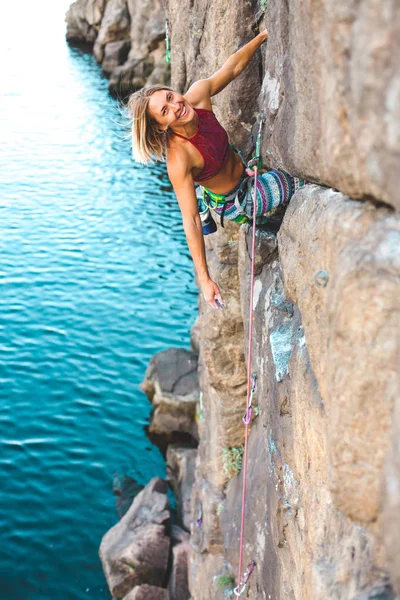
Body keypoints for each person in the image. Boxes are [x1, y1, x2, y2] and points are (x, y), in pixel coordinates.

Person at [128, 30, 305, 309]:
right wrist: (205, 279)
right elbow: (191, 220)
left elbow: (232, 67)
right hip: (237, 201)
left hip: (244, 172)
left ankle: (271, 210)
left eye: (170, 97)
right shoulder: (179, 158)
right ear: (162, 126)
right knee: (298, 181)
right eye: (165, 111)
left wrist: (263, 35)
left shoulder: (197, 96)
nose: (176, 105)